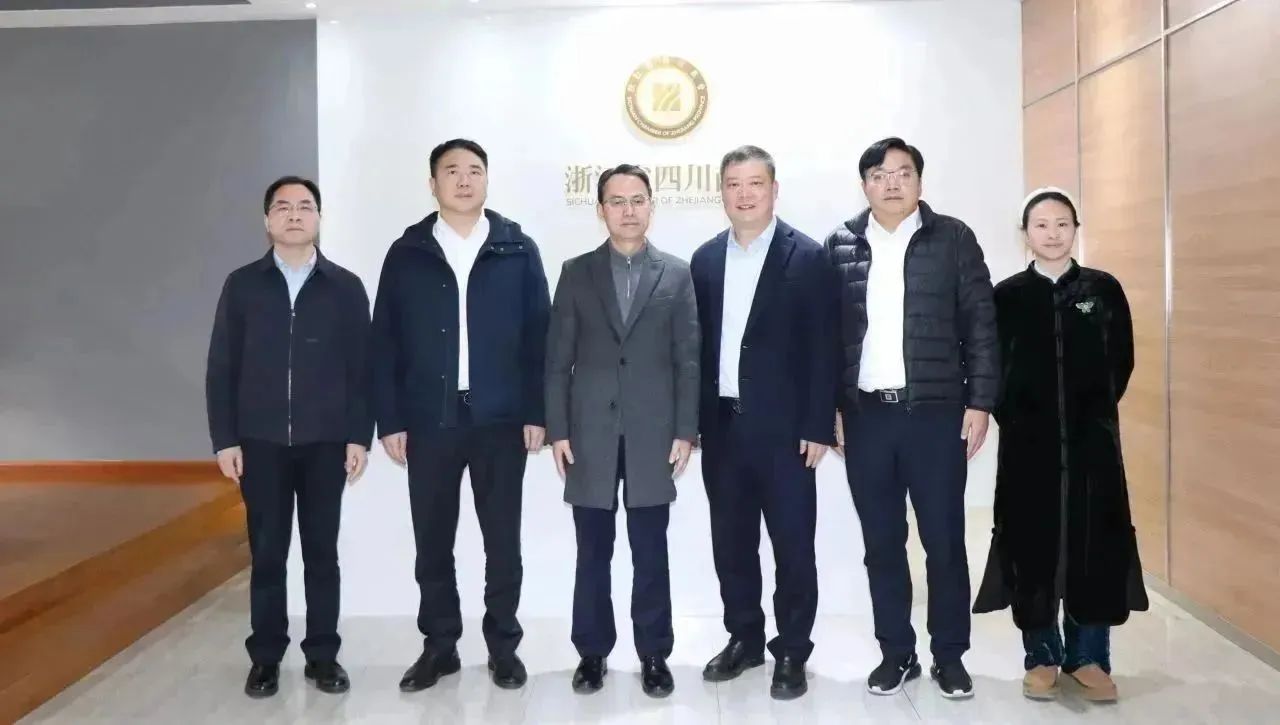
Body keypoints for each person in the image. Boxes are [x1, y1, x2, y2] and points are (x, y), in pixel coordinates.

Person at [370, 139, 550, 692]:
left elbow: (540, 337)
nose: (464, 180)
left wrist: (537, 411)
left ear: (487, 180)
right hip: (430, 419)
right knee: (433, 541)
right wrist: (390, 419)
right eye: (452, 171)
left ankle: (503, 647)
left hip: (501, 419)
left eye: (474, 170)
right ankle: (440, 646)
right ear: (433, 184)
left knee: (503, 541)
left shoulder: (516, 248)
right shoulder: (408, 252)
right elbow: (385, 342)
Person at [826, 137, 999, 699]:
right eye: (879, 174)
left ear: (920, 181)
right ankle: (896, 653)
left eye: (903, 172)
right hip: (867, 418)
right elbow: (826, 338)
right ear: (864, 185)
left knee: (944, 541)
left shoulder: (953, 238)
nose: (892, 183)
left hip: (936, 416)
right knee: (882, 543)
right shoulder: (841, 245)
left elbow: (981, 324)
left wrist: (981, 402)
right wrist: (831, 410)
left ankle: (949, 655)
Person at [973, 187, 1149, 702]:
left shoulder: (1103, 289)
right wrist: (1018, 416)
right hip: (1028, 447)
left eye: (1062, 224)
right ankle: (1042, 656)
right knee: (1031, 544)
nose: (1052, 234)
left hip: (1094, 444)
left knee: (1096, 543)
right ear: (1025, 233)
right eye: (1041, 225)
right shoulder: (1006, 296)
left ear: (1076, 230)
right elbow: (991, 367)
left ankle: (1089, 657)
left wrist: (1091, 412)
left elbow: (1121, 361)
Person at [206, 175, 372, 698]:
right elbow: (221, 365)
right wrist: (225, 439)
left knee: (322, 554)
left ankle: (323, 655)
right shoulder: (242, 285)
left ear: (319, 218)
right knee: (268, 554)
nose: (294, 215)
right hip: (261, 443)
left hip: (326, 442)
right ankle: (266, 657)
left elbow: (361, 370)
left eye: (305, 206)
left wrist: (358, 436)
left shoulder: (345, 287)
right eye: (283, 207)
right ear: (267, 220)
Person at [545, 164, 700, 698]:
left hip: (654, 434)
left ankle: (654, 653)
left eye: (637, 200)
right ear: (601, 210)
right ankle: (592, 652)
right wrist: (558, 430)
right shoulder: (576, 272)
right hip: (589, 433)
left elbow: (688, 361)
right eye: (617, 201)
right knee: (593, 551)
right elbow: (557, 360)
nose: (628, 210)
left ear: (651, 206)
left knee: (650, 550)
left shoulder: (676, 274)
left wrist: (686, 430)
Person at [690, 145, 837, 700]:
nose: (744, 194)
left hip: (787, 433)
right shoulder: (705, 259)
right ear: (722, 193)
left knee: (793, 546)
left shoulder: (809, 257)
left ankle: (792, 649)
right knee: (731, 543)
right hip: (722, 428)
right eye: (733, 184)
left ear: (774, 190)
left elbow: (824, 347)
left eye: (755, 183)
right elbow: (696, 348)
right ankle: (744, 638)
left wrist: (818, 425)